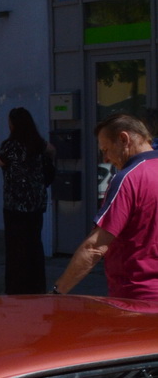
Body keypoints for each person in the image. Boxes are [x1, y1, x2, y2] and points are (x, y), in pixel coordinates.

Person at [56, 113, 158, 303]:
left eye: (106, 149)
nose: (106, 158)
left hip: (136, 299)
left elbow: (94, 247)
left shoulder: (129, 178)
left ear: (123, 139)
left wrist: (58, 292)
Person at [0, 107, 55, 294]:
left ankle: (16, 287)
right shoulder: (37, 142)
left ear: (13, 124)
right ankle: (36, 285)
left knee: (16, 248)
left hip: (15, 205)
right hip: (36, 203)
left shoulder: (12, 146)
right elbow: (52, 150)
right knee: (34, 245)